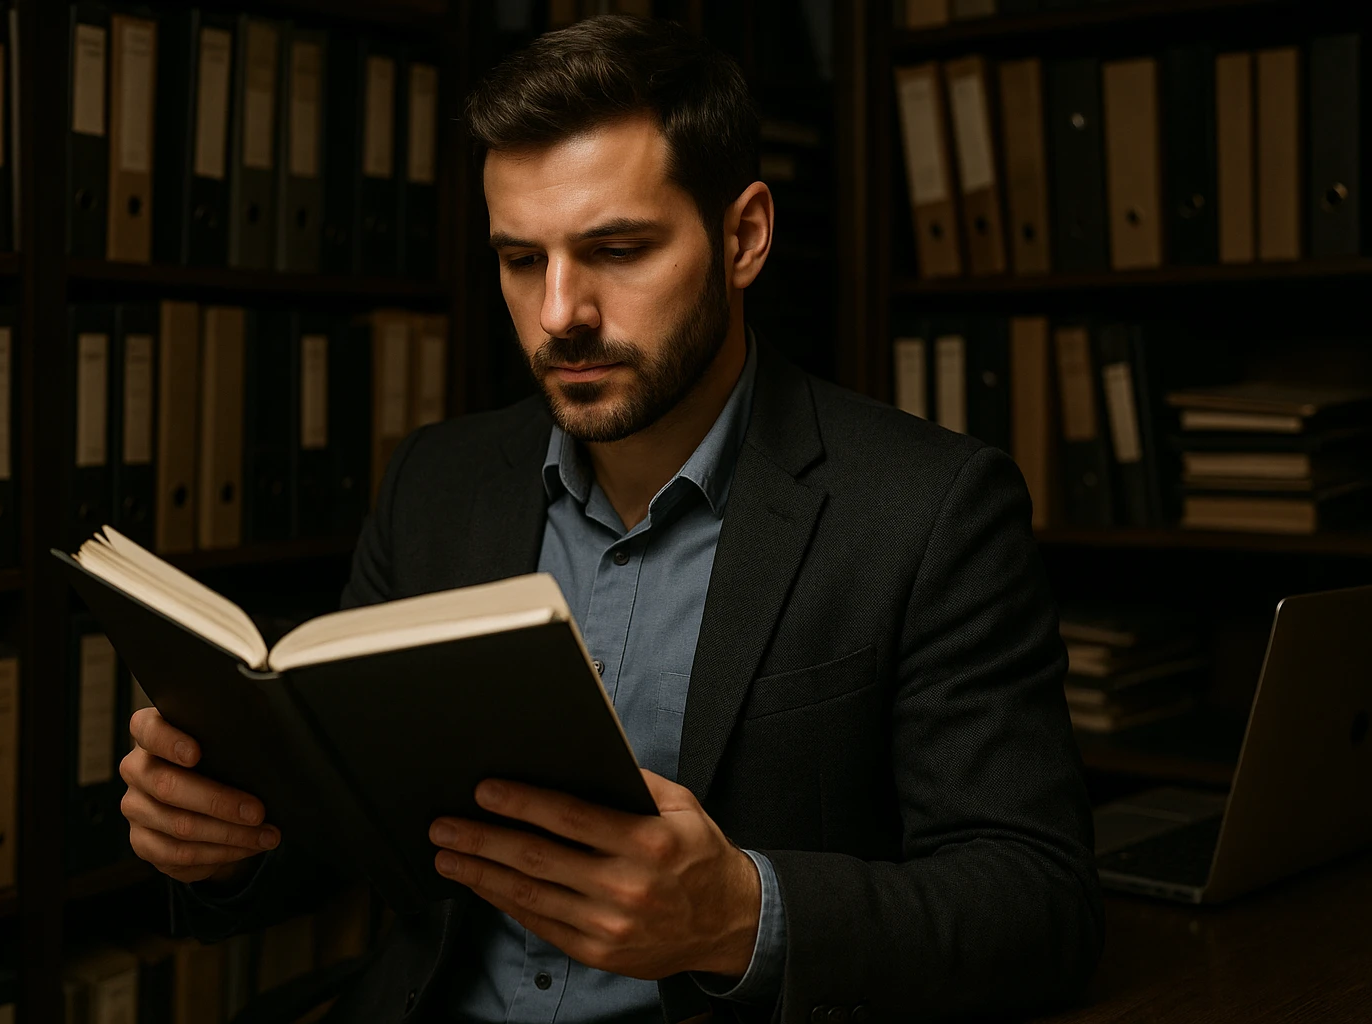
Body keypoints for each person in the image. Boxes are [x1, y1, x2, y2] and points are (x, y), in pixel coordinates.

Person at [118, 15, 1103, 1024]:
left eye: (617, 249)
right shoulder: (434, 485)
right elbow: (356, 837)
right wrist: (224, 840)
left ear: (743, 237)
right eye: (517, 259)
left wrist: (739, 915)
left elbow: (1039, 905)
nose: (558, 314)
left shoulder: (930, 510)